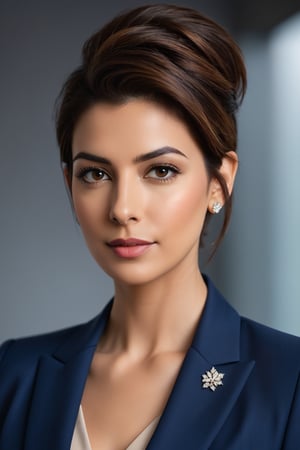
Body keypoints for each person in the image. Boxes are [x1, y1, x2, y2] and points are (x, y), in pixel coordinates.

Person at [0, 4, 299, 449]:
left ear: (220, 182)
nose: (122, 208)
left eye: (160, 171)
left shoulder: (290, 381)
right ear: (69, 184)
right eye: (95, 174)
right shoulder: (14, 374)